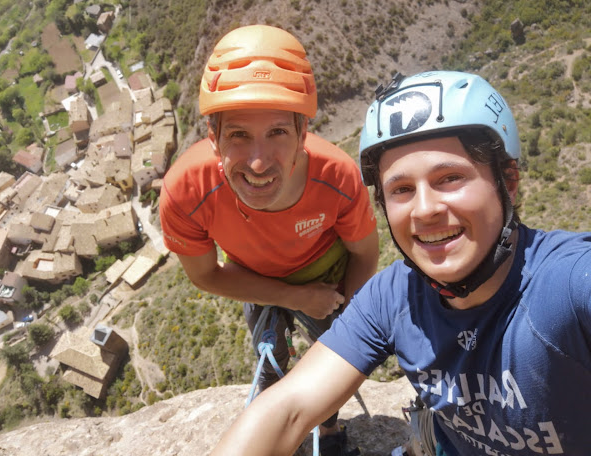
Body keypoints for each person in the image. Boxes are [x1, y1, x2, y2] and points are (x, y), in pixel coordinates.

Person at [210, 70, 591, 456]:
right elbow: (288, 409)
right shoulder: (395, 298)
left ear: (508, 182)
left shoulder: (567, 285)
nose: (424, 210)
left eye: (450, 178)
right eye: (402, 189)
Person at [159, 24, 380, 455]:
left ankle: (328, 430)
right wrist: (291, 297)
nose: (258, 163)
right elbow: (206, 275)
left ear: (302, 134)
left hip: (328, 276)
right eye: (238, 134)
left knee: (326, 364)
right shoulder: (186, 191)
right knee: (272, 364)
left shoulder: (336, 177)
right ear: (213, 138)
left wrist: (342, 328)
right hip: (255, 278)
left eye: (277, 132)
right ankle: (282, 428)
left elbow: (365, 254)